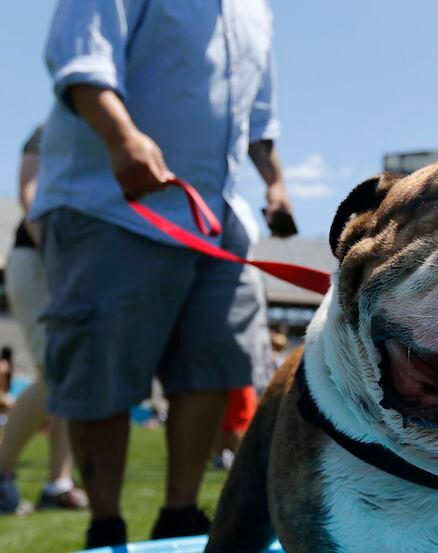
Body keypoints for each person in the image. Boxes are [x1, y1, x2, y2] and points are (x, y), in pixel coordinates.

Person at [32, 2, 293, 547]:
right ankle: (105, 525)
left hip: (217, 220)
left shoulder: (255, 10)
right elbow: (83, 59)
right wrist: (120, 136)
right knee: (100, 372)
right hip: (111, 203)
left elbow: (258, 119)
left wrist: (274, 185)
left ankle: (179, 515)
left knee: (215, 362)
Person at [0, 127, 88, 515]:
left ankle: (58, 482)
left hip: (78, 268)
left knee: (69, 377)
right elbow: (30, 198)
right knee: (57, 373)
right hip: (38, 261)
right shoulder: (47, 132)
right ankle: (1, 472)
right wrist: (58, 260)